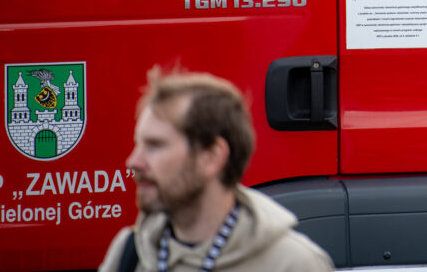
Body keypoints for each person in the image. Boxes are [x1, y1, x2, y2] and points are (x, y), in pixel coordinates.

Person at [99, 69, 334, 272]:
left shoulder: (292, 264)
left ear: (212, 156)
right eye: (138, 144)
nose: (133, 161)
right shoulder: (129, 253)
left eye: (155, 145)